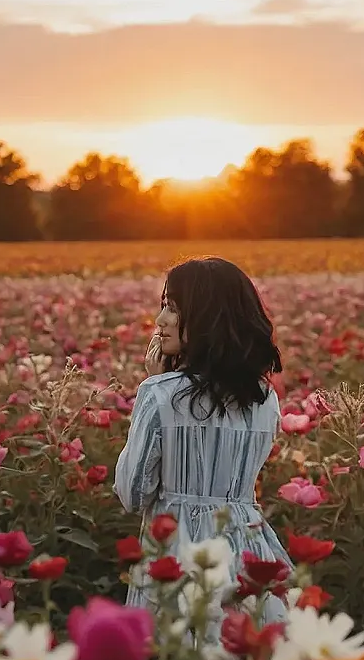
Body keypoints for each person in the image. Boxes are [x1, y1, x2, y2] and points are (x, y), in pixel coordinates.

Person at [114, 257, 291, 625]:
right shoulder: (264, 397)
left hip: (177, 552)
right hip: (247, 546)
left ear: (208, 319)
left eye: (173, 309)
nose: (160, 320)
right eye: (163, 306)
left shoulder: (160, 394)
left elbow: (133, 494)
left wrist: (154, 384)